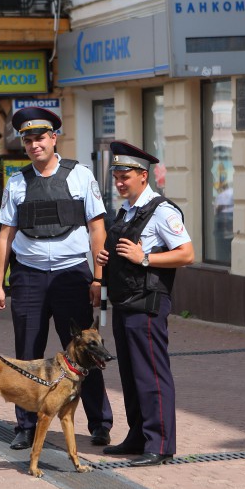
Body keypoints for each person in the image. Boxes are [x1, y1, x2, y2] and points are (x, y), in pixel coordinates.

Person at [0, 106, 114, 450]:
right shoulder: (16, 183)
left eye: (40, 138)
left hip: (72, 273)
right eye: (28, 140)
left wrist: (98, 278)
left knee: (86, 354)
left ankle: (100, 423)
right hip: (28, 277)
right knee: (27, 354)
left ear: (53, 138)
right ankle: (25, 425)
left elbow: (97, 228)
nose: (34, 145)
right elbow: (5, 236)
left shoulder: (80, 176)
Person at [96, 140, 194, 467]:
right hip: (126, 300)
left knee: (151, 374)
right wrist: (107, 259)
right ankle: (138, 435)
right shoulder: (127, 210)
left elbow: (187, 253)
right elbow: (125, 251)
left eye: (125, 176)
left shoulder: (162, 210)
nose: (119, 182)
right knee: (131, 375)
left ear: (143, 175)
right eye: (116, 177)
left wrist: (145, 257)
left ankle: (160, 443)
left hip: (148, 303)